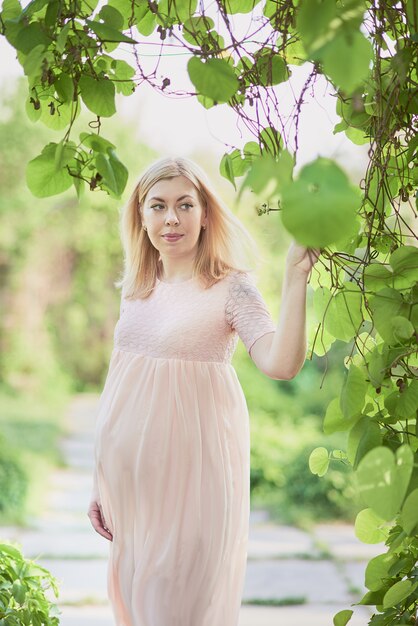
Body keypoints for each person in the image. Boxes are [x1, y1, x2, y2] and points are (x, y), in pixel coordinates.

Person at [87, 155, 320, 626]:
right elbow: (120, 387)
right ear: (140, 216)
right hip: (134, 493)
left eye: (184, 204)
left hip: (195, 483)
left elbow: (280, 363)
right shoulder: (136, 287)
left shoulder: (231, 289)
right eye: (157, 206)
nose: (170, 218)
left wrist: (295, 275)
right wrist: (101, 480)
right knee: (137, 605)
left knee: (175, 605)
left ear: (205, 214)